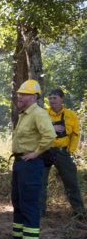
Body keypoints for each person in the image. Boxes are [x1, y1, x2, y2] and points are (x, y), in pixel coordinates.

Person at [6, 80, 56, 239]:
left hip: (31, 164)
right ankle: (18, 238)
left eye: (24, 94)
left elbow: (49, 135)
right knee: (18, 201)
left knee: (29, 203)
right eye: (19, 93)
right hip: (20, 163)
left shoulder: (39, 114)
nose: (20, 97)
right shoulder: (25, 114)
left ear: (34, 97)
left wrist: (36, 153)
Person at [40, 88, 84, 216]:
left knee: (71, 180)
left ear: (62, 99)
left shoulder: (71, 115)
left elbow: (75, 134)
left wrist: (70, 150)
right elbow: (36, 131)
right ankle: (39, 210)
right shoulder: (43, 114)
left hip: (62, 152)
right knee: (40, 181)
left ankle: (79, 211)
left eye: (55, 98)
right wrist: (51, 128)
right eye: (51, 98)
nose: (52, 100)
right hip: (45, 151)